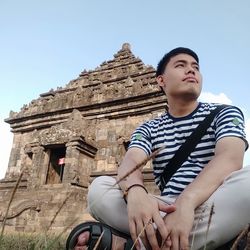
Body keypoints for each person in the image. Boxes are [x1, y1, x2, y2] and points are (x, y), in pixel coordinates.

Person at [66, 47, 250, 250]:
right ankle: (193, 240)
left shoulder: (224, 113)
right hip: (161, 206)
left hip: (211, 200)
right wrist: (135, 192)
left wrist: (186, 203)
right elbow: (132, 159)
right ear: (161, 80)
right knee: (99, 189)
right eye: (181, 65)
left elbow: (230, 158)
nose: (191, 71)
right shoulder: (149, 127)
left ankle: (131, 244)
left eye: (196, 67)